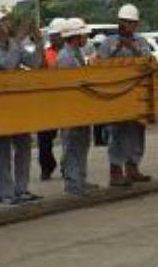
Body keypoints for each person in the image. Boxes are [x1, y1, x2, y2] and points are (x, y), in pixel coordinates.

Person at [0, 7, 44, 205]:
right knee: (2, 150)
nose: (8, 24)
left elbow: (34, 63)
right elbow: (7, 65)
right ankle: (6, 193)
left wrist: (38, 42)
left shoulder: (12, 45)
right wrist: (19, 39)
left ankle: (21, 189)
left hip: (15, 104)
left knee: (24, 146)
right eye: (3, 21)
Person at [96, 4, 153, 187]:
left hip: (137, 93)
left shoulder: (141, 42)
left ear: (136, 24)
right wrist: (117, 49)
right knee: (117, 132)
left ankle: (133, 167)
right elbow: (100, 64)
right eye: (124, 22)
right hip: (117, 94)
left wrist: (133, 48)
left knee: (137, 130)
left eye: (130, 22)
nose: (126, 25)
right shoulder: (108, 43)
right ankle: (115, 171)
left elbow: (148, 62)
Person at [56, 18, 100, 196]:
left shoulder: (76, 53)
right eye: (84, 35)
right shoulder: (66, 57)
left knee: (82, 144)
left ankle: (79, 179)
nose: (86, 38)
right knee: (72, 146)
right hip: (70, 108)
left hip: (80, 107)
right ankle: (73, 183)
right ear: (76, 36)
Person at [38, 18, 66, 181]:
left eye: (56, 35)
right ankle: (46, 166)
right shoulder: (46, 53)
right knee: (44, 138)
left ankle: (67, 166)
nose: (53, 38)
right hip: (48, 101)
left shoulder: (70, 53)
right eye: (52, 35)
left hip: (64, 99)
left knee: (68, 137)